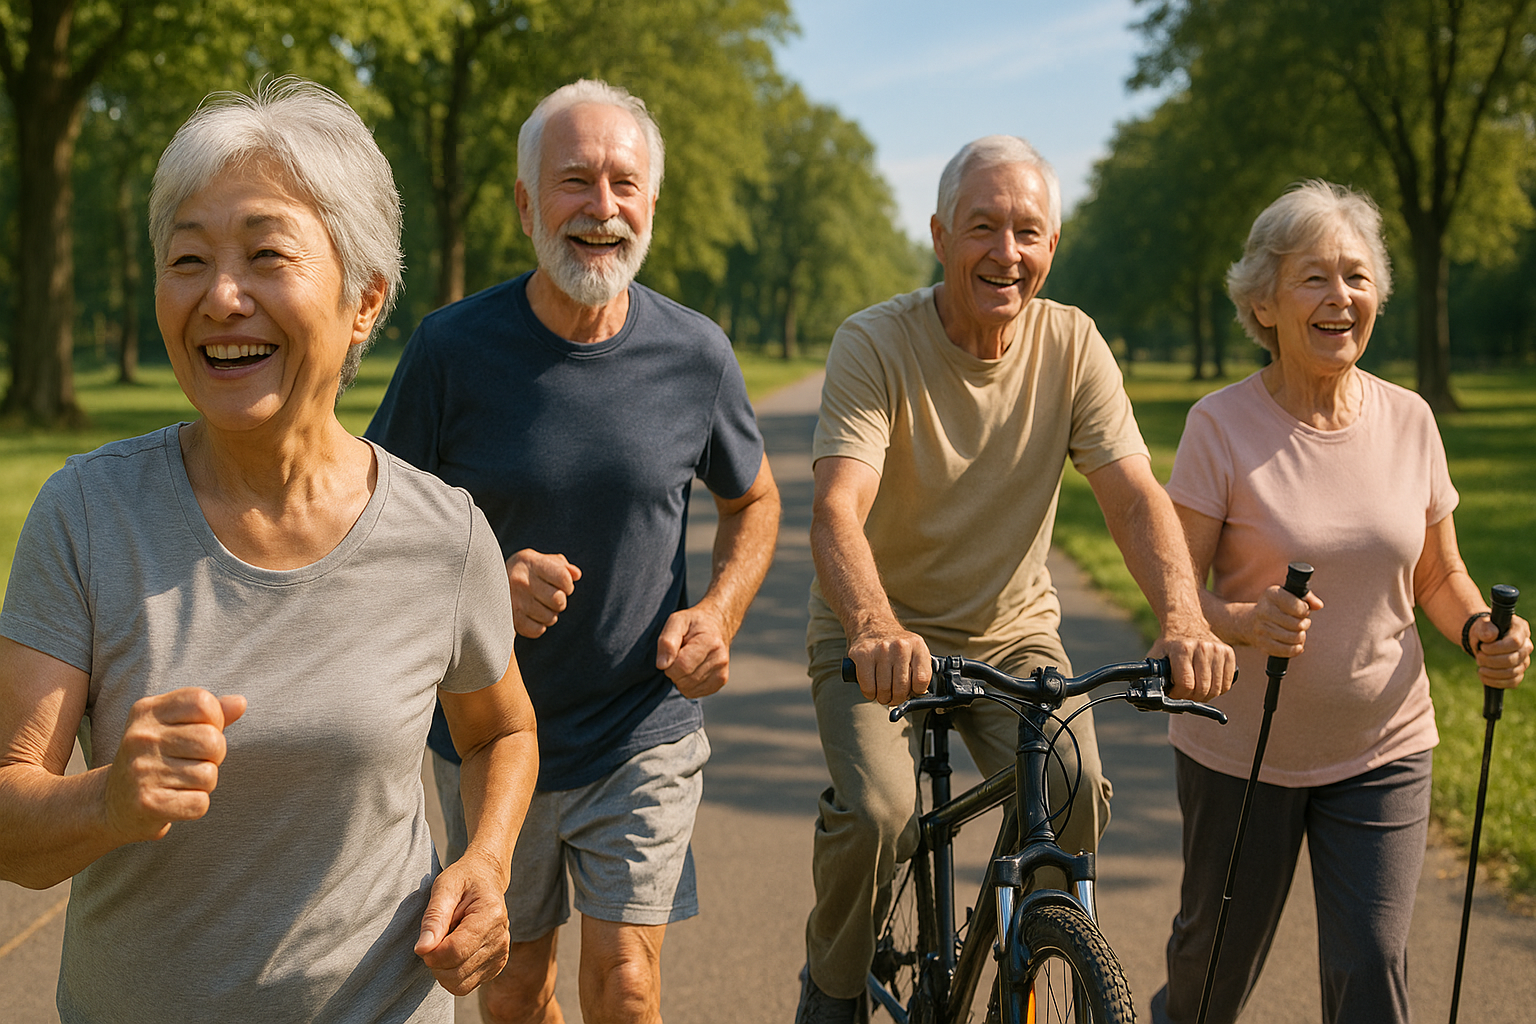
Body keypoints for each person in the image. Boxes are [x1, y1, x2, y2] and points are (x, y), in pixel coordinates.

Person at [0, 79, 539, 1023]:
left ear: (365, 298)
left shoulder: (443, 531)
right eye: (189, 259)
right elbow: (10, 823)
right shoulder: (86, 514)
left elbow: (500, 731)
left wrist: (485, 865)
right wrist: (107, 803)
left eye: (266, 255)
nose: (221, 296)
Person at [366, 79, 781, 1024]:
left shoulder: (697, 355)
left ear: (651, 204)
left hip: (642, 726)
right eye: (574, 182)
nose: (602, 209)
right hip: (488, 732)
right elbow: (374, 523)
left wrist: (718, 614)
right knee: (514, 993)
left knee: (626, 986)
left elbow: (753, 499)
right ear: (524, 204)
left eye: (624, 184)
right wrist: (479, 584)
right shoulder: (450, 351)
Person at [796, 134, 1236, 1023]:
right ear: (939, 235)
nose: (1007, 252)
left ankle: (1022, 970)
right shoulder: (874, 343)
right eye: (982, 227)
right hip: (875, 632)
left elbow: (1133, 496)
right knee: (879, 812)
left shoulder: (1072, 344)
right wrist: (875, 625)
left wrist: (1184, 614)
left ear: (1051, 248)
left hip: (1011, 630)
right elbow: (837, 508)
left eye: (1027, 232)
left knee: (1074, 794)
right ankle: (833, 991)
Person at [1150, 180, 1532, 1024]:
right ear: (1266, 301)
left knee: (1372, 970)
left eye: (1357, 277)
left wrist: (1478, 631)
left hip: (1384, 746)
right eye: (1314, 278)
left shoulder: (1411, 421)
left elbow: (1438, 574)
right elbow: (1175, 595)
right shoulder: (1219, 425)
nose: (1341, 298)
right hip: (1240, 751)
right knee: (1210, 977)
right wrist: (1244, 623)